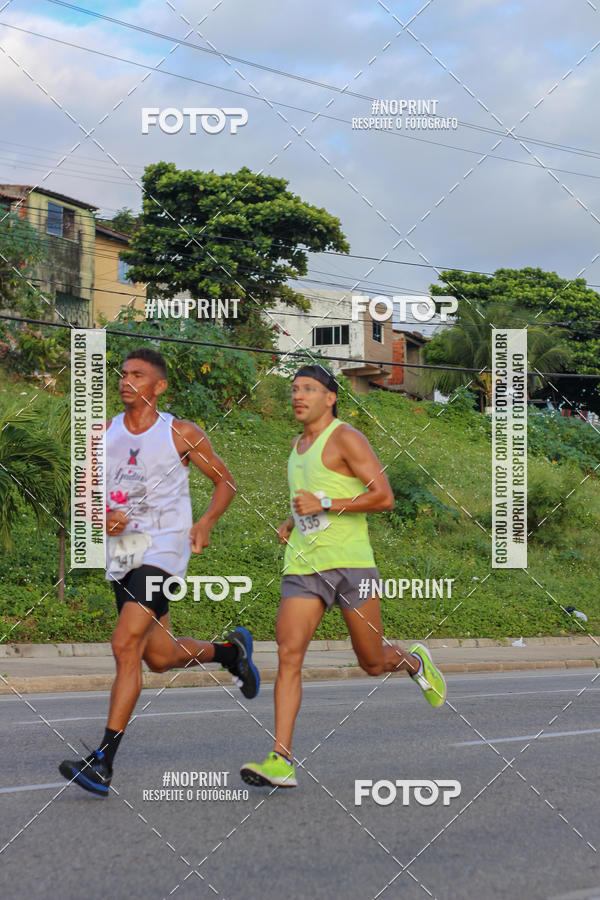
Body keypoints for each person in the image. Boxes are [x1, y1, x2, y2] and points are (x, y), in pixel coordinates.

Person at [59, 348, 259, 796]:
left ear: (158, 387)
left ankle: (103, 762)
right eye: (123, 374)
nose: (126, 381)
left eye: (137, 375)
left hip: (165, 550)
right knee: (160, 656)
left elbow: (225, 482)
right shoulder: (102, 433)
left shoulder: (181, 434)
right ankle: (231, 653)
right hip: (122, 555)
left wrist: (205, 522)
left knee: (124, 641)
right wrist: (98, 515)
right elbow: (85, 495)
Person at [240, 364, 445, 788]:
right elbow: (311, 500)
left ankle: (412, 661)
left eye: (309, 389)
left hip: (352, 566)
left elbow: (383, 496)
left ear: (330, 397)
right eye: (294, 389)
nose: (298, 396)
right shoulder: (296, 447)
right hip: (304, 566)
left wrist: (326, 503)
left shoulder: (347, 438)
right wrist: (291, 520)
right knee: (288, 652)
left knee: (372, 662)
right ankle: (280, 758)